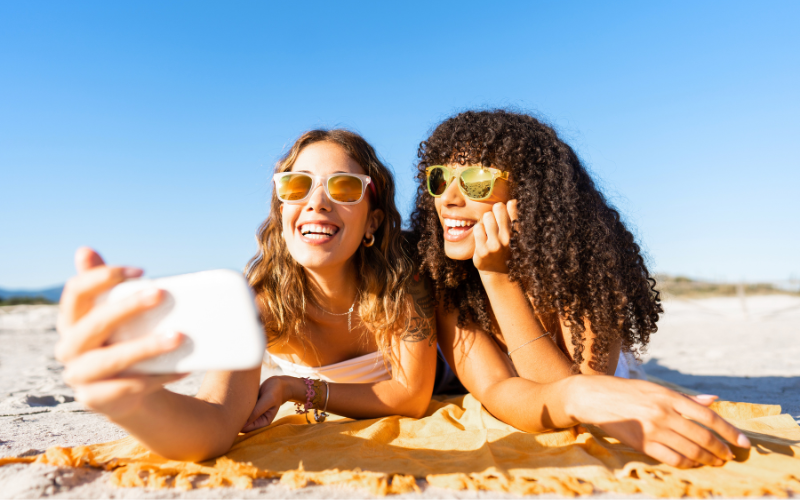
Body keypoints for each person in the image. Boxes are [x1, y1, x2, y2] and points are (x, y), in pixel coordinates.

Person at [54, 129, 437, 462]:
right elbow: (215, 418)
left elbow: (411, 396)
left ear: (372, 219)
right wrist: (136, 405)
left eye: (344, 187)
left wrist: (295, 387)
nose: (317, 202)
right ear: (282, 210)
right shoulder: (261, 307)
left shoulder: (402, 281)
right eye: (296, 185)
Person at [410, 109, 751, 468]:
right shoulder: (448, 279)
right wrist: (493, 276)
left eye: (475, 180)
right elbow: (499, 390)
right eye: (439, 178)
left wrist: (499, 277)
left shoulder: (586, 264)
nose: (447, 198)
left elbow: (585, 393)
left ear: (527, 194)